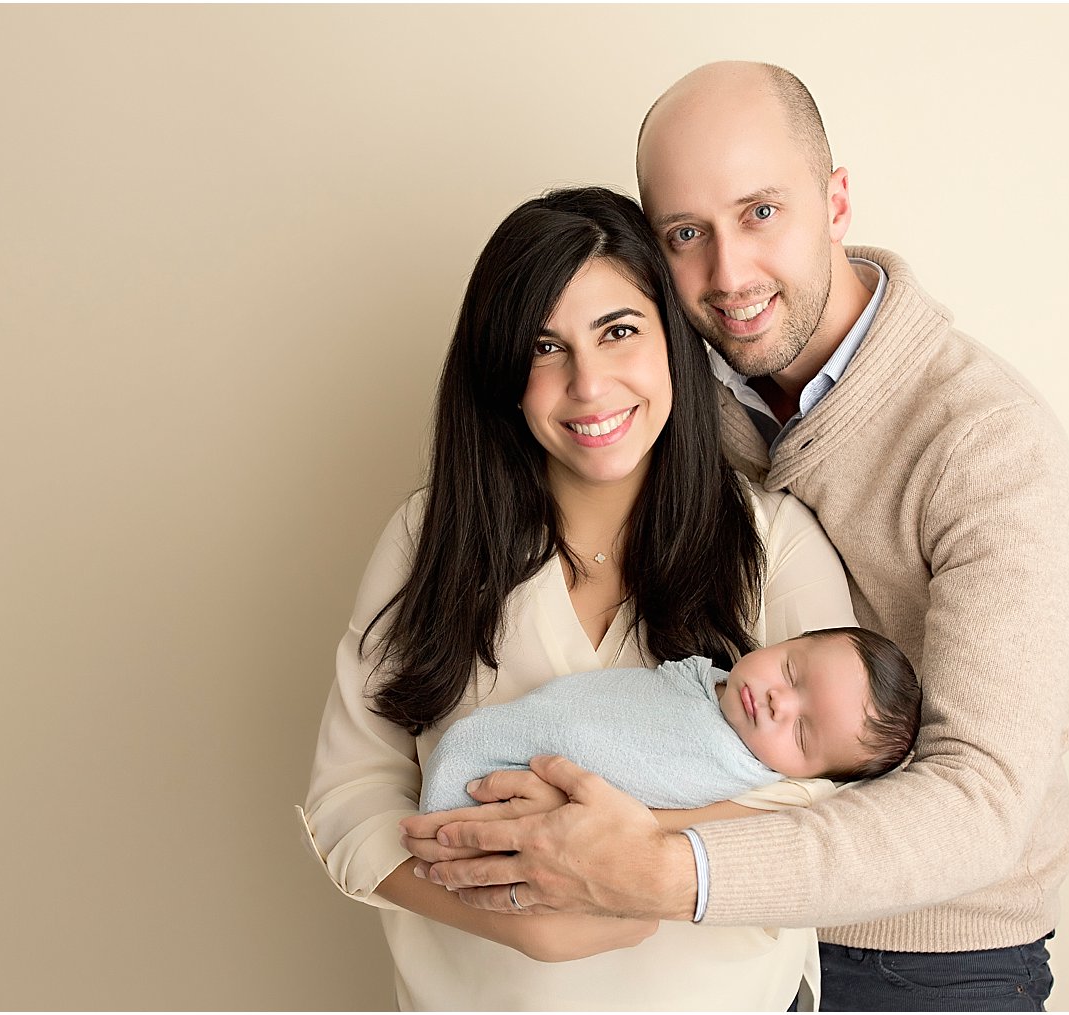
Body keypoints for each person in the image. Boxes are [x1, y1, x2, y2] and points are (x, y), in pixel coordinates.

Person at [402, 62, 1069, 1012]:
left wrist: (664, 866)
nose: (728, 276)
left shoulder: (987, 444)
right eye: (687, 234)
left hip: (924, 955)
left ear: (836, 200)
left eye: (761, 211)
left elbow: (981, 804)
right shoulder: (660, 403)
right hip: (706, 948)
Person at [299, 185, 862, 1010]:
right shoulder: (430, 539)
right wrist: (504, 912)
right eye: (544, 346)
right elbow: (347, 796)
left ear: (671, 339)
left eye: (619, 331)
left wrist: (615, 850)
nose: (589, 384)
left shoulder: (775, 545)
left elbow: (844, 818)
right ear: (502, 373)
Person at [420, 626, 920, 813]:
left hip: (498, 794)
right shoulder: (708, 678)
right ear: (789, 639)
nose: (778, 703)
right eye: (791, 670)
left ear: (806, 776)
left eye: (802, 732)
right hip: (489, 752)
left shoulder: (733, 772)